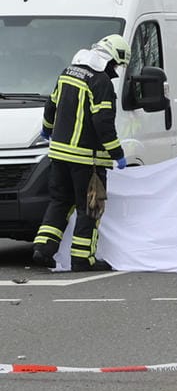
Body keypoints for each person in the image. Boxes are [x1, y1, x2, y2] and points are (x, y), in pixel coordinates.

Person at [29, 34, 129, 271]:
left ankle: (43, 249)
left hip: (58, 155)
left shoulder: (68, 73)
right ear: (111, 59)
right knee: (90, 208)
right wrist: (117, 153)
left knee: (60, 202)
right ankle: (83, 259)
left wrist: (47, 129)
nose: (115, 71)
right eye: (116, 65)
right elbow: (103, 123)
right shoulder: (101, 82)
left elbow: (51, 105)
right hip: (87, 159)